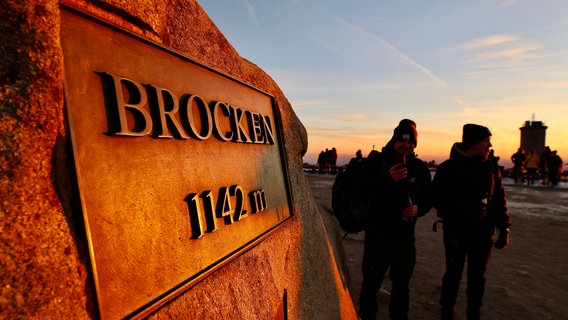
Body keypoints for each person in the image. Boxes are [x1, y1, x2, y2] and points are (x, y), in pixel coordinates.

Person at [432, 124, 511, 320]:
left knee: (478, 277)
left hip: (484, 232)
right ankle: (447, 311)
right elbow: (437, 201)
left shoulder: (490, 165)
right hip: (456, 231)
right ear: (473, 142)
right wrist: (464, 209)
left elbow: (499, 197)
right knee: (453, 274)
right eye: (485, 141)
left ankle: (473, 313)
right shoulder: (448, 168)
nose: (489, 145)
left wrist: (504, 226)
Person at [358, 119, 432, 320]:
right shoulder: (378, 163)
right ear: (394, 140)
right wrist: (387, 179)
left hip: (405, 239)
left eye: (411, 143)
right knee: (371, 283)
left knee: (402, 285)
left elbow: (428, 198)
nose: (406, 146)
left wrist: (418, 208)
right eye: (402, 141)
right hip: (378, 236)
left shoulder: (419, 168)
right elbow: (364, 192)